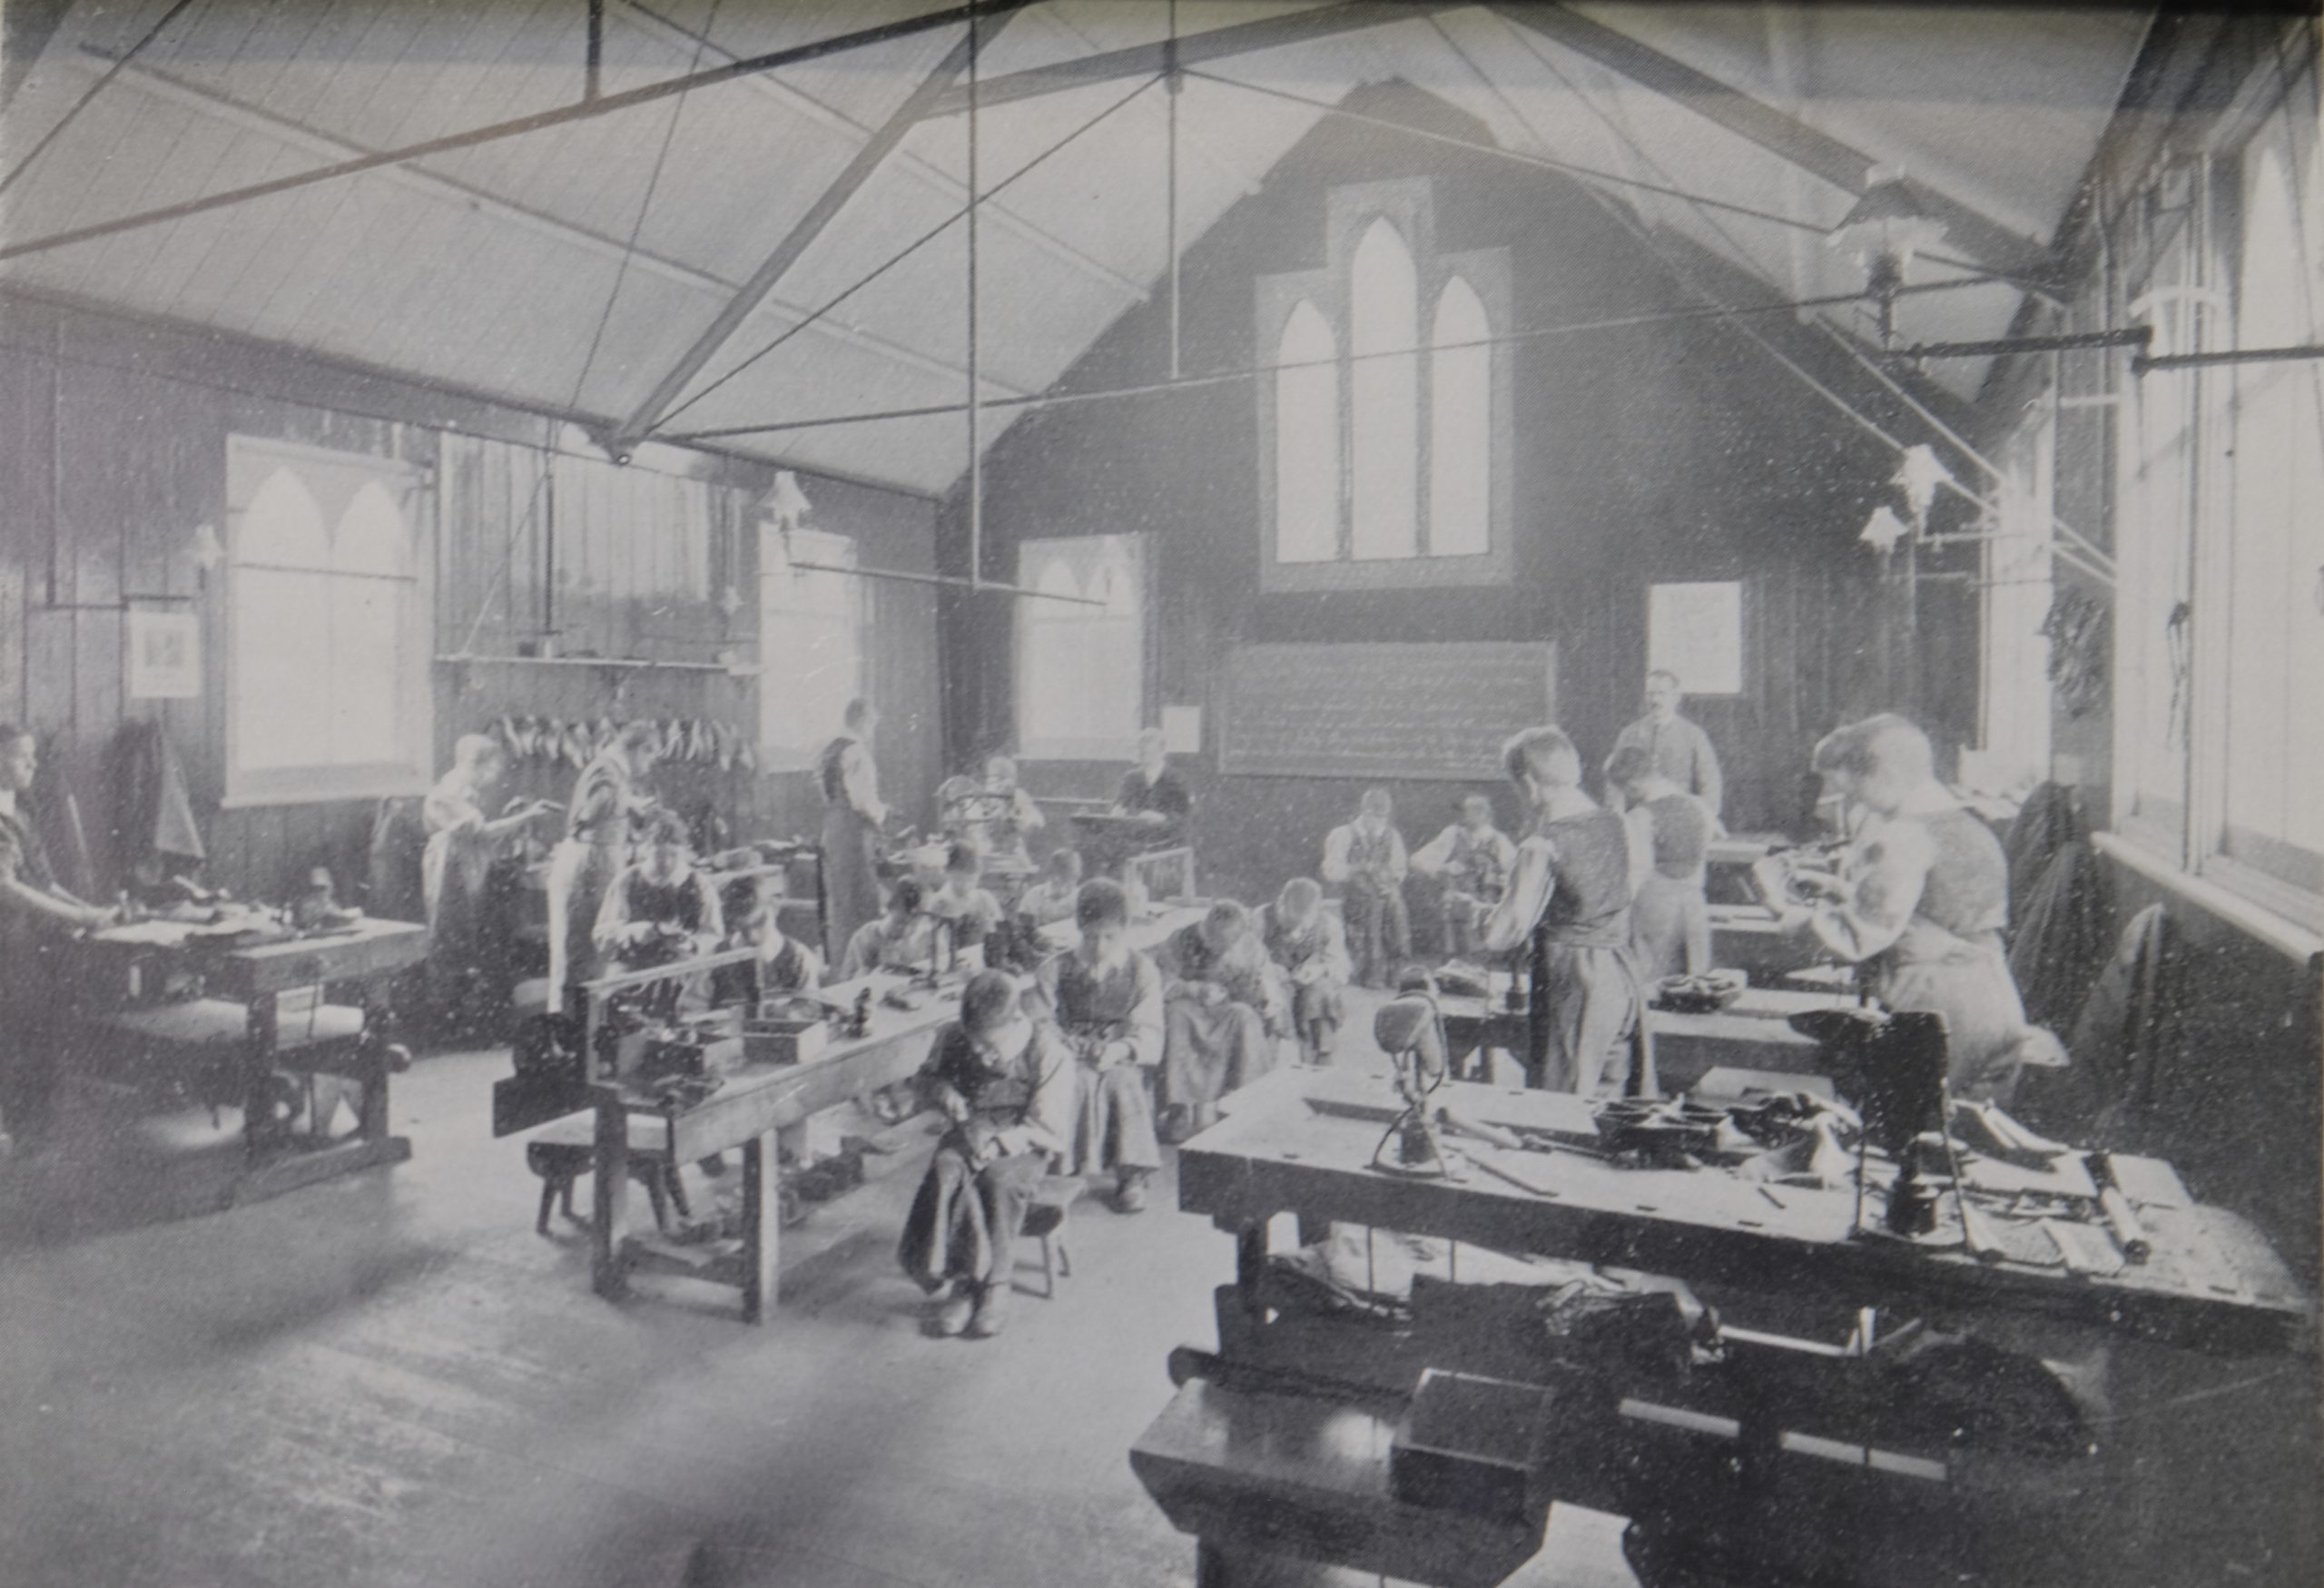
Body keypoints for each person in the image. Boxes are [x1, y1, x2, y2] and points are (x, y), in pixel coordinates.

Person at [1759, 715, 2053, 1103]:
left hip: (1936, 1003)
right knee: (1957, 1138)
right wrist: (1840, 889)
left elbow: (1855, 936)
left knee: (1904, 1135)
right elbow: (1932, 911)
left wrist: (1778, 906)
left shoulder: (1905, 833)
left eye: (1854, 792)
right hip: (1989, 998)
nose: (1854, 804)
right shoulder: (1966, 824)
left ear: (1885, 774)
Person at [898, 970, 1075, 1339]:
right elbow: (925, 1078)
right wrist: (942, 1090)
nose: (978, 1052)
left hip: (1023, 1140)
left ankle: (996, 1284)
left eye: (987, 1045)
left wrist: (998, 1146)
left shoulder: (1046, 1050)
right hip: (969, 1130)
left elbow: (1048, 1128)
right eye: (973, 1042)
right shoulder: (952, 1036)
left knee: (997, 1179)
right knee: (947, 1168)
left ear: (1013, 1022)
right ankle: (964, 1282)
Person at [1475, 726, 1649, 1097]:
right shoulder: (1622, 824)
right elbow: (1628, 888)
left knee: (1562, 1102)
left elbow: (1503, 933)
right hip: (1622, 974)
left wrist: (1485, 918)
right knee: (1613, 1096)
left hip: (1573, 981)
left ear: (1528, 783)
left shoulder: (1542, 846)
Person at [0, 727, 118, 1151]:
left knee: (35, 1032)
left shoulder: (22, 810)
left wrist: (92, 913)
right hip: (4, 943)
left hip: (24, 944)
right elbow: (7, 888)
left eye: (33, 756)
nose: (32, 765)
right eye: (20, 757)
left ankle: (31, 1137)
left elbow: (44, 882)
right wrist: (79, 915)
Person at [1031, 879, 1165, 1213]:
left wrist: (1119, 1050)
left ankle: (1131, 1175)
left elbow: (1149, 1027)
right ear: (1079, 928)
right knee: (1073, 1081)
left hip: (1118, 1050)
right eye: (1091, 937)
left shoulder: (1141, 969)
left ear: (1125, 929)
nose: (1100, 947)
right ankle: (1060, 1170)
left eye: (1109, 937)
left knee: (1122, 1082)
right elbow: (1039, 1021)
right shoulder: (1055, 968)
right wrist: (1063, 1044)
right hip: (1067, 1053)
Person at [422, 734, 555, 1032]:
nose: (495, 777)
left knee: (465, 939)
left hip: (464, 867)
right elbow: (481, 833)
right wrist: (527, 816)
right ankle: (446, 1019)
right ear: (475, 765)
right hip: (449, 870)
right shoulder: (449, 793)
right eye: (493, 769)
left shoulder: (465, 792)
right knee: (450, 940)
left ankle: (461, 1016)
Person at [547, 720, 661, 1014]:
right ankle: (566, 1028)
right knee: (581, 949)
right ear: (638, 750)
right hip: (590, 863)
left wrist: (630, 804)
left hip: (599, 859)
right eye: (650, 756)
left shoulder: (612, 772)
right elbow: (590, 812)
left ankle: (581, 1027)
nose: (649, 766)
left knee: (594, 949)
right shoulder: (607, 769)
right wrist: (628, 803)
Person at [1157, 900, 1285, 1140]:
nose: (1220, 949)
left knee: (1246, 1017)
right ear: (1206, 929)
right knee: (1176, 1016)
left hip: (1230, 1010)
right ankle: (1179, 1110)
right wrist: (1193, 989)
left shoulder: (1250, 945)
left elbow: (1267, 977)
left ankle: (1245, 1104)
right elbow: (1162, 981)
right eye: (1215, 942)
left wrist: (1270, 1000)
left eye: (1228, 944)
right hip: (1191, 1007)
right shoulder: (1181, 940)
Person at [591, 810, 725, 1025]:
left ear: (684, 852)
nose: (667, 863)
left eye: (673, 856)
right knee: (615, 1010)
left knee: (684, 1011)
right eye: (659, 855)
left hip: (683, 967)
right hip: (633, 966)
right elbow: (600, 934)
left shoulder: (699, 884)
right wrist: (630, 931)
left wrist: (692, 944)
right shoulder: (627, 881)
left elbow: (713, 933)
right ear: (645, 850)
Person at [1607, 745, 1715, 981]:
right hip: (1693, 903)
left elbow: (1637, 871)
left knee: (1652, 981)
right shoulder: (1699, 806)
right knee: (1693, 980)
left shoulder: (1641, 817)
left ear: (1632, 785)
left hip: (1655, 908)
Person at [818, 699, 890, 963]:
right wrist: (882, 813)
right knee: (863, 901)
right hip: (853, 832)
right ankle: (863, 966)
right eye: (871, 723)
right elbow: (863, 802)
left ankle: (840, 965)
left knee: (840, 903)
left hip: (833, 828)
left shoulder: (830, 749)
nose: (872, 730)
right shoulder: (857, 752)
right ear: (862, 720)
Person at [1411, 793, 1518, 961]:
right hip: (1457, 894)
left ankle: (1475, 963)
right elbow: (1417, 859)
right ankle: (1456, 961)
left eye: (1470, 812)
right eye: (1465, 812)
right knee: (1455, 907)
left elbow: (1515, 870)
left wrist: (1499, 879)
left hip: (1487, 899)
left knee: (1480, 916)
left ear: (1483, 815)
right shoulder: (1452, 834)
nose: (1464, 816)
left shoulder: (1498, 840)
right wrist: (1443, 867)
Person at [1322, 787, 1412, 989]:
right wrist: (1359, 868)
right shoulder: (1343, 834)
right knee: (1372, 907)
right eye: (1375, 816)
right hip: (1353, 895)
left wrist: (1390, 879)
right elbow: (1331, 870)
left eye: (1384, 817)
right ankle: (1373, 971)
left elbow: (1400, 868)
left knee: (1397, 907)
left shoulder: (1391, 835)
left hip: (1383, 891)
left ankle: (1398, 969)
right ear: (1364, 812)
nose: (1380, 822)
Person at [1260, 877, 1351, 1063]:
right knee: (1272, 1001)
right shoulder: (1260, 919)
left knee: (1322, 992)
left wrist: (1319, 968)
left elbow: (1340, 963)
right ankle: (1271, 1062)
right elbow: (1248, 958)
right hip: (1273, 982)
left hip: (1308, 982)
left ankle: (1321, 1057)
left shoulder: (1328, 924)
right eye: (1292, 921)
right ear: (1281, 903)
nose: (1297, 931)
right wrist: (1270, 970)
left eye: (1305, 923)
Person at [1612, 670, 1724, 821]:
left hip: (1678, 818)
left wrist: (1705, 818)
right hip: (1638, 818)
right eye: (1650, 694)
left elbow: (1710, 783)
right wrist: (1618, 817)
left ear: (1676, 697)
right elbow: (1614, 780)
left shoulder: (1694, 735)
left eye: (1662, 693)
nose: (1655, 700)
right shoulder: (1630, 734)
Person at [713, 871, 825, 1008]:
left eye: (759, 923)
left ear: (775, 908)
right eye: (743, 929)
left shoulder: (799, 959)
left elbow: (810, 1009)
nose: (753, 936)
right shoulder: (717, 958)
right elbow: (691, 1009)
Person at [837, 876, 940, 981]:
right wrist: (873, 974)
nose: (905, 931)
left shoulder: (925, 935)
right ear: (890, 909)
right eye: (899, 923)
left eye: (914, 923)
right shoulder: (864, 938)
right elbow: (848, 985)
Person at [925, 841, 1004, 957]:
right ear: (947, 873)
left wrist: (989, 926)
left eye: (971, 880)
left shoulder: (985, 898)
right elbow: (932, 941)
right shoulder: (938, 902)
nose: (965, 885)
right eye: (959, 879)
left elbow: (1001, 932)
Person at [1019, 848, 1085, 926]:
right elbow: (1024, 928)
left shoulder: (1081, 898)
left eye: (1074, 880)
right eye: (1065, 879)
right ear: (1053, 876)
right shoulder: (1034, 895)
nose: (1071, 885)